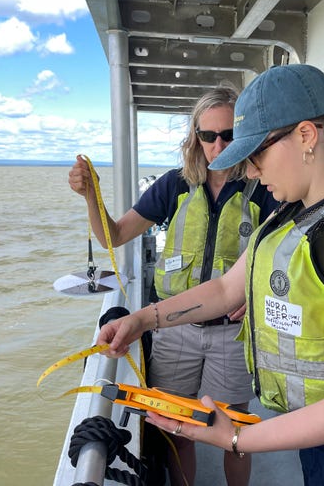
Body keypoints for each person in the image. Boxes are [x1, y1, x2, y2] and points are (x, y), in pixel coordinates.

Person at [95, 64, 324, 486]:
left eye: (257, 154)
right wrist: (142, 319)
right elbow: (227, 289)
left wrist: (236, 438)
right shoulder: (296, 213)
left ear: (305, 136)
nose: (250, 171)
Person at [69, 85, 279, 486]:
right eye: (208, 135)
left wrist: (256, 297)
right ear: (195, 139)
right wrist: (91, 195)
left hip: (233, 334)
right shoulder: (175, 185)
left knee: (237, 434)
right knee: (177, 428)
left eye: (229, 135)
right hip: (173, 331)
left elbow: (286, 256)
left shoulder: (264, 187)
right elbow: (114, 236)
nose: (219, 145)